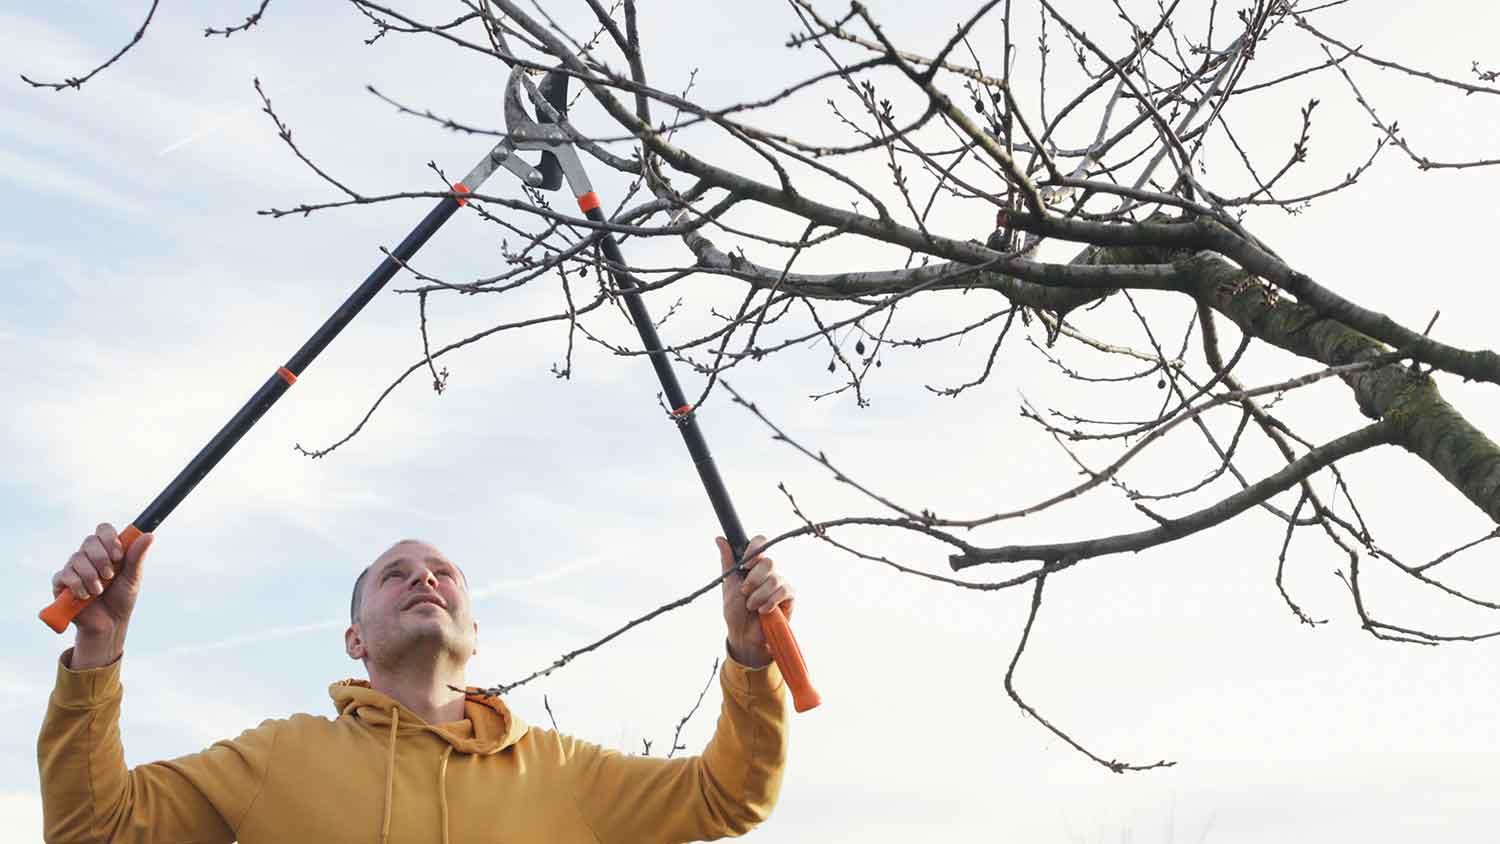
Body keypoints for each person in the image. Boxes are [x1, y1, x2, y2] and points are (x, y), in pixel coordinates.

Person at [38, 523, 794, 843]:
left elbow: (727, 796)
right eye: (395, 575)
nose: (423, 578)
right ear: (355, 638)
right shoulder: (277, 758)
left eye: (441, 574)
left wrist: (750, 657)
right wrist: (99, 645)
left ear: (474, 634)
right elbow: (95, 831)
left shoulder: (563, 771)